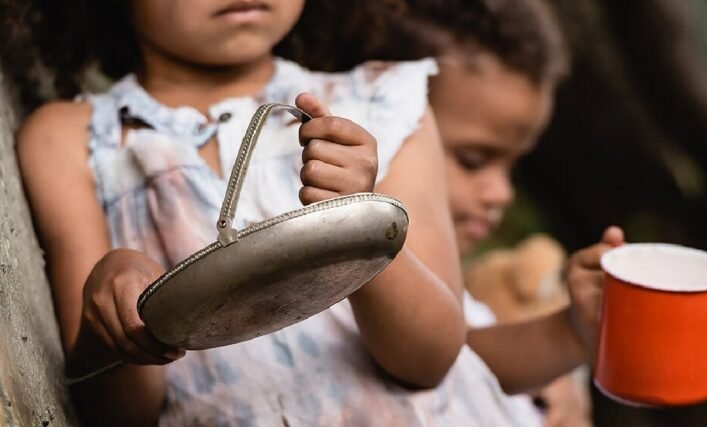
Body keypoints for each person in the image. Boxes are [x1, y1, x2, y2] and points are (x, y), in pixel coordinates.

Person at [9, 1, 616, 426]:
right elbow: (121, 412)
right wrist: (112, 292)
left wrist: (358, 227)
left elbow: (429, 358)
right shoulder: (72, 140)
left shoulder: (384, 104)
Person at [374, 0, 625, 425]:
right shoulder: (357, 287)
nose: (501, 193)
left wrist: (572, 333)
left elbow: (461, 357)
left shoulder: (469, 301)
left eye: (514, 166)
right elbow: (435, 354)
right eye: (472, 159)